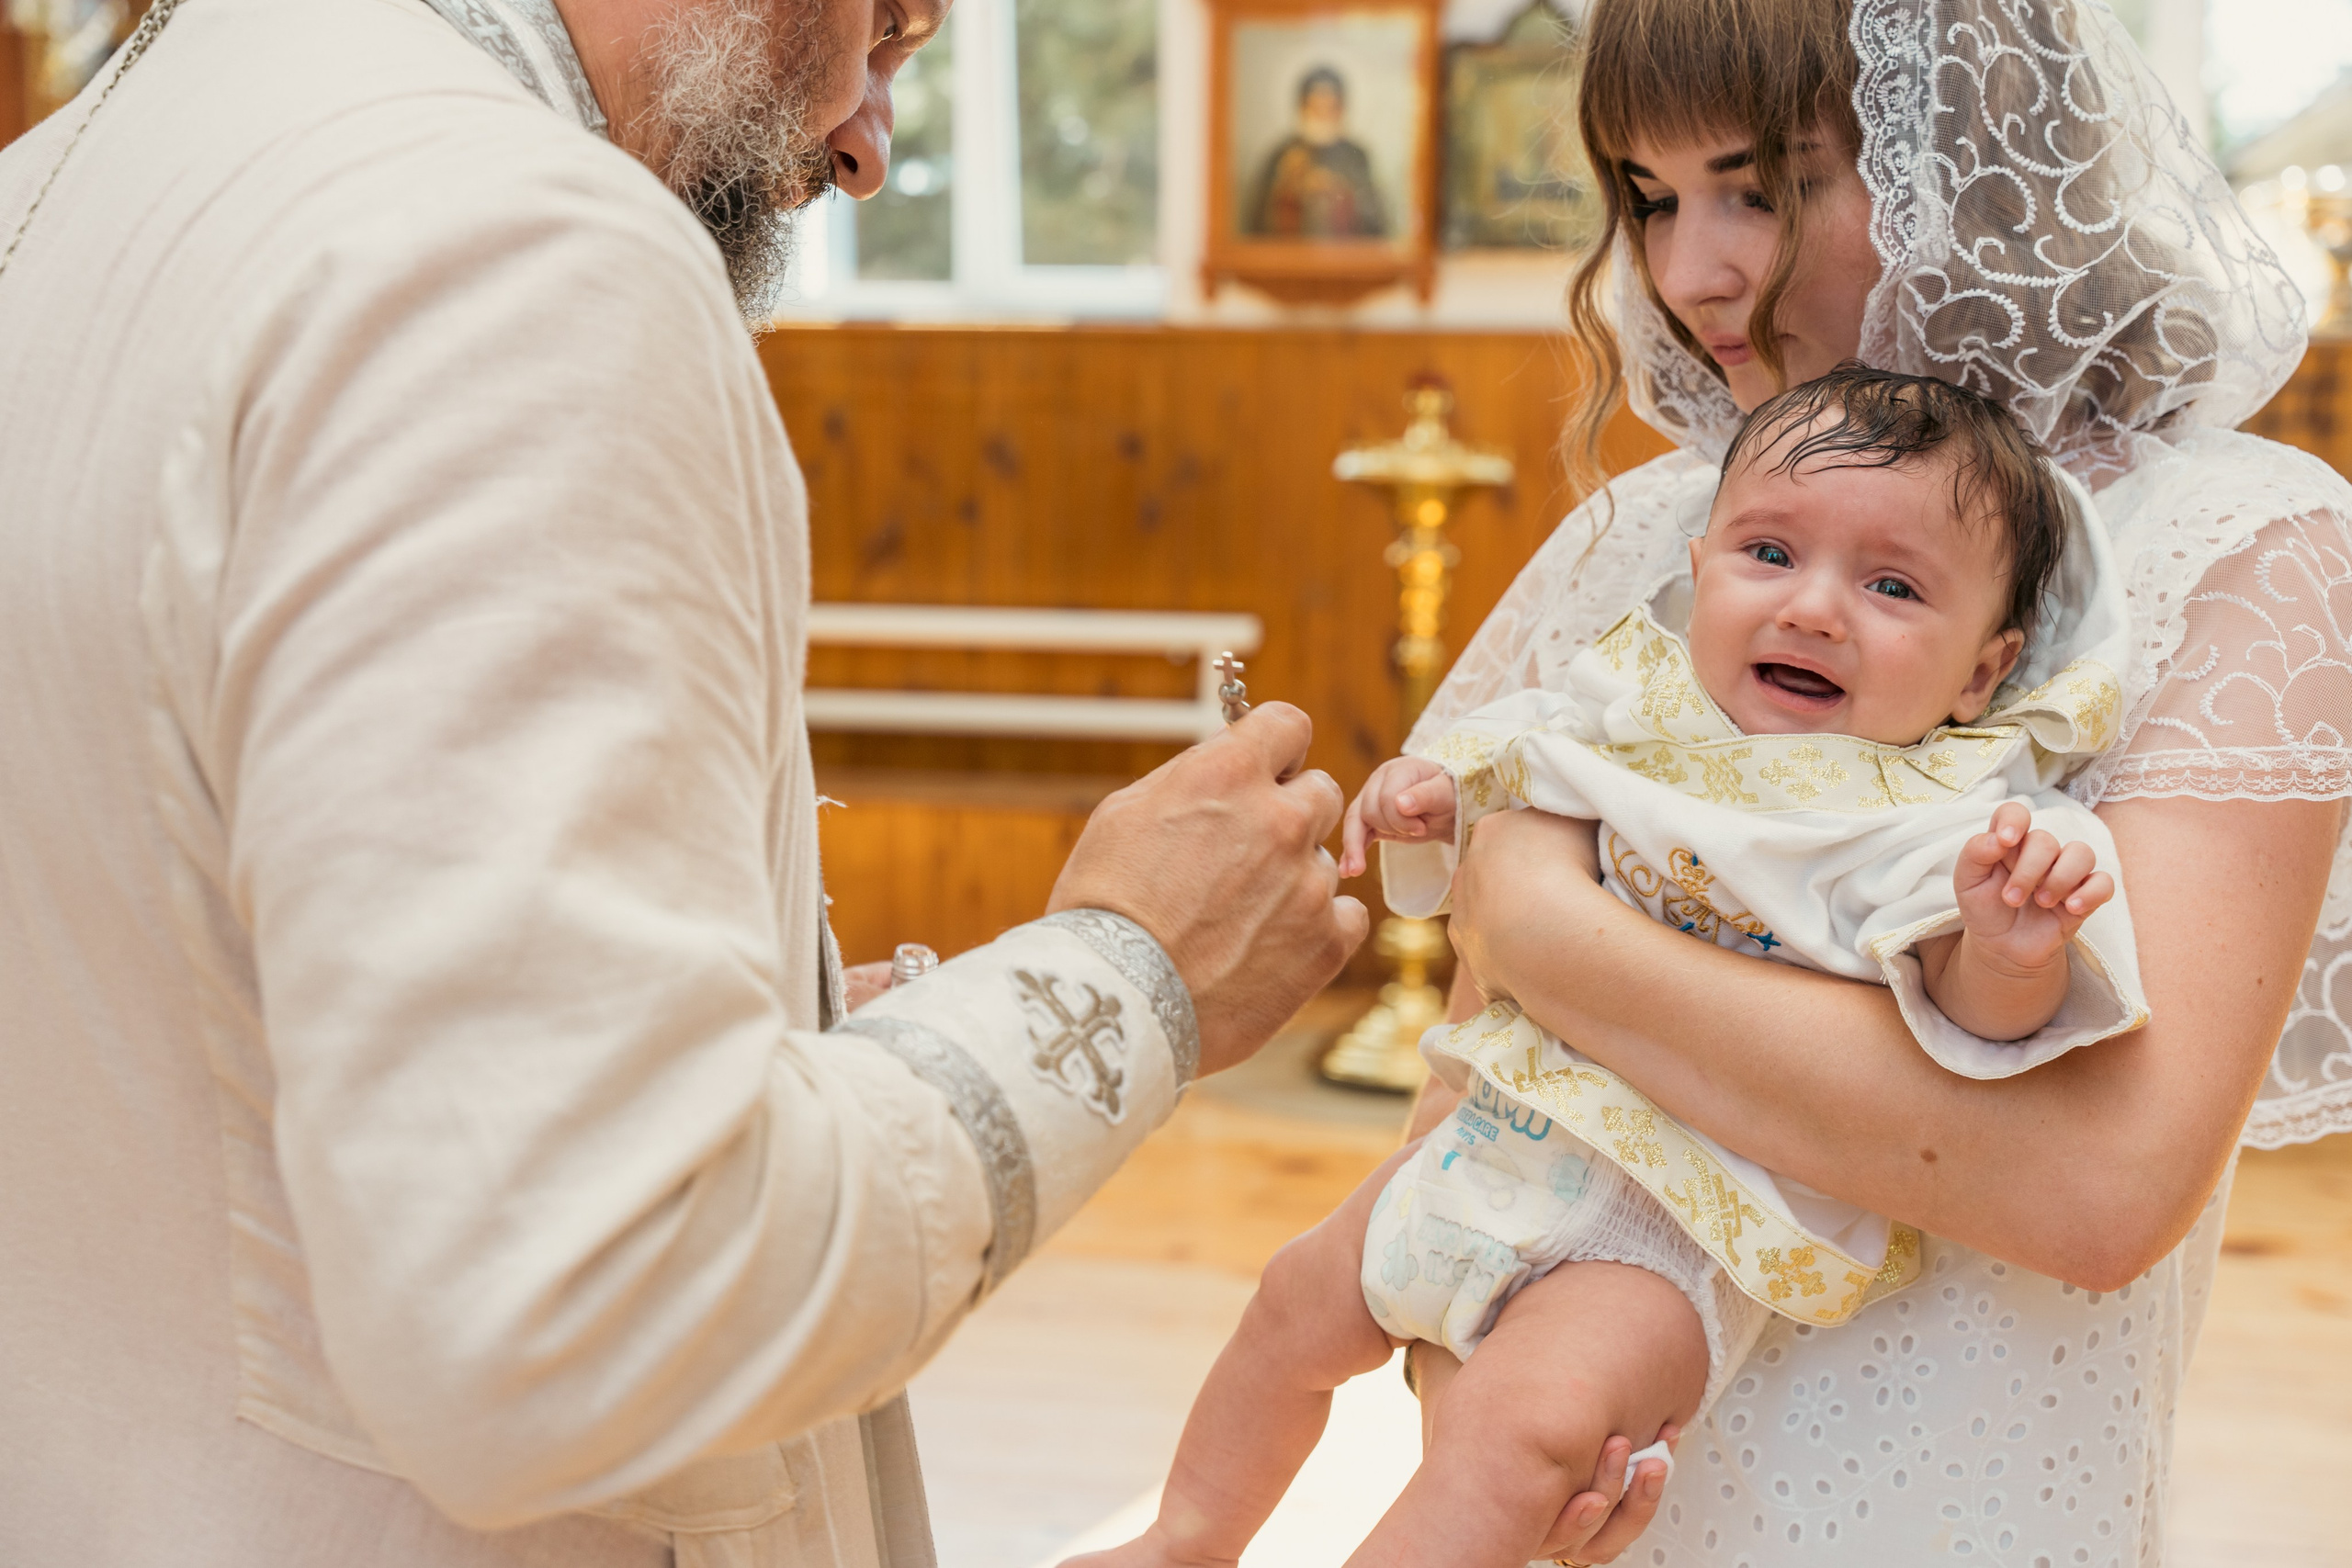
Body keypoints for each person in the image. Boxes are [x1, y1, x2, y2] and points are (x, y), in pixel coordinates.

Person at [0, 0, 1368, 1564]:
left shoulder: (62, 180)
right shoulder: (510, 254)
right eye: (890, 21)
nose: (863, 141)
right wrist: (1131, 975)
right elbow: (576, 1301)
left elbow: (204, 1005)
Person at [1389, 0, 2352, 1562]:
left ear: (1958, 154)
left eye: (1759, 187)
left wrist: (1542, 922)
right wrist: (1479, 1404)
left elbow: (2099, 1186)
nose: (1689, 268)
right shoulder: (1654, 535)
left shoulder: (2238, 547)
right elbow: (1469, 1089)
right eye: (1647, 197)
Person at [1069, 365, 2143, 1568]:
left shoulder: (1933, 813)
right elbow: (1517, 782)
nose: (1816, 609)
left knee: (1520, 1444)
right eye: (1770, 553)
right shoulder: (1634, 706)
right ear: (1700, 569)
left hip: (1668, 1228)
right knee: (1291, 1299)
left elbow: (1968, 1027)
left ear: (1985, 669)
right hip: (1490, 1142)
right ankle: (1180, 1539)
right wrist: (1434, 803)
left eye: (1892, 584)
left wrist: (2006, 946)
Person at [1247, 64, 1388, 240]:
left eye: (1331, 107)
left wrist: (1339, 192)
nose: (1323, 114)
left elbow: (1375, 223)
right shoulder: (1281, 153)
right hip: (1291, 258)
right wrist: (1291, 187)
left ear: (1341, 109)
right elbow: (1257, 223)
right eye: (1316, 106)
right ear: (1302, 106)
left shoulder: (1356, 155)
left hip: (1344, 261)